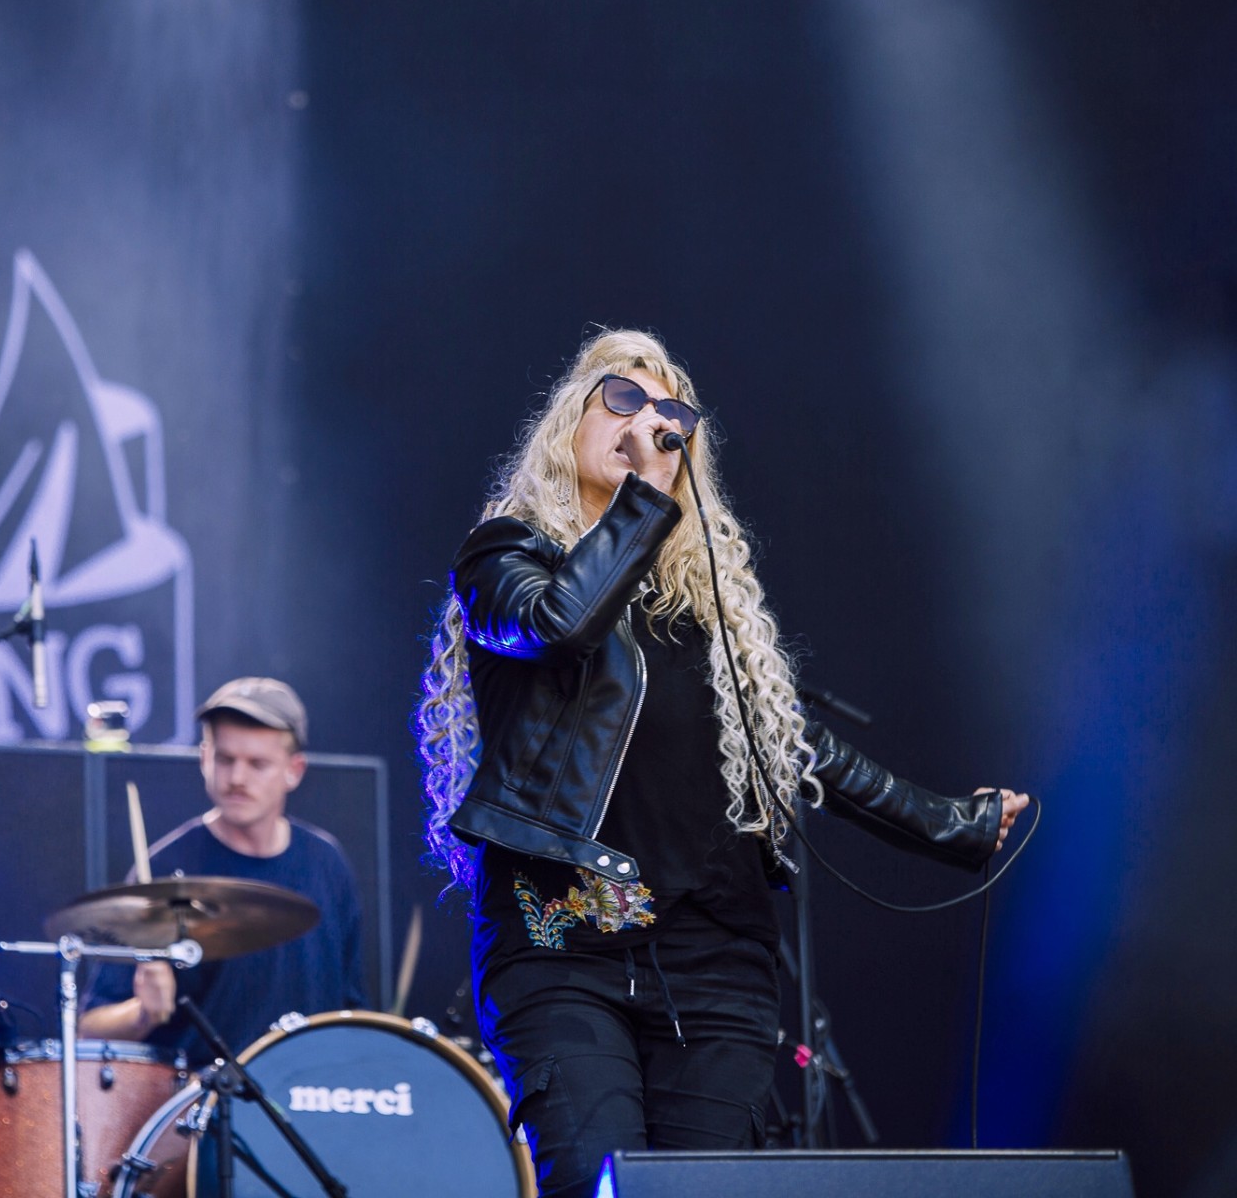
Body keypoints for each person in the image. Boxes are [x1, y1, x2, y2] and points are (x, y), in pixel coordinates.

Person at [416, 328, 1031, 1198]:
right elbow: (557, 624)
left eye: (670, 414)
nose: (648, 423)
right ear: (569, 427)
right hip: (560, 936)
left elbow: (791, 745)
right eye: (621, 400)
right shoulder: (504, 556)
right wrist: (640, 500)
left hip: (714, 956)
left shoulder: (703, 612)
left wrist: (947, 824)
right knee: (598, 1181)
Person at [80, 677, 367, 1064]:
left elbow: (354, 1013)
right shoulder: (163, 870)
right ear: (203, 757)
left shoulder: (327, 864)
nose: (236, 779)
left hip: (308, 1101)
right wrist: (142, 1014)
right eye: (225, 759)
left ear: (294, 770)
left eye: (258, 764)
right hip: (198, 1110)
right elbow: (90, 1026)